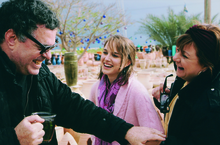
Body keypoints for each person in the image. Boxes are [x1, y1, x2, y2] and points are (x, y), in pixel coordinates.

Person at [0, 0, 166, 145]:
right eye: (42, 47)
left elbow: (76, 109)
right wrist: (13, 138)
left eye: (51, 48)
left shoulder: (41, 75)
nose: (48, 56)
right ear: (12, 39)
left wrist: (126, 131)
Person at [89, 35, 164, 145]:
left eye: (115, 55)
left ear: (128, 62)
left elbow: (155, 135)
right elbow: (91, 121)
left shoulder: (137, 91)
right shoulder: (96, 88)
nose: (107, 58)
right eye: (105, 52)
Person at [152, 24, 220, 145]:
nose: (175, 57)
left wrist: (159, 144)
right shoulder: (186, 80)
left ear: (205, 65)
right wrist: (167, 99)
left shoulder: (211, 108)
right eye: (177, 50)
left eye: (184, 55)